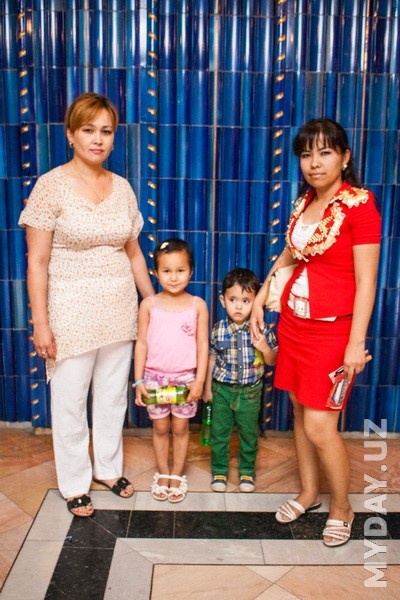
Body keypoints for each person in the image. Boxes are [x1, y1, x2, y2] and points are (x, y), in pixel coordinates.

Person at [19, 92, 154, 517]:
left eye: (106, 131)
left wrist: (152, 303)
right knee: (70, 399)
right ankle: (75, 482)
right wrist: (41, 322)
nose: (98, 139)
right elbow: (37, 261)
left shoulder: (123, 187)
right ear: (71, 135)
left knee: (113, 396)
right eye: (89, 130)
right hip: (70, 308)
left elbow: (134, 252)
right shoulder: (50, 186)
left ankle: (108, 469)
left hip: (119, 306)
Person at [251, 118, 381, 546]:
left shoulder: (360, 206)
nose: (314, 162)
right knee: (300, 412)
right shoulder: (304, 201)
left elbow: (366, 281)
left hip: (333, 333)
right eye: (306, 154)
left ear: (344, 157)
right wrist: (261, 294)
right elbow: (291, 254)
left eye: (325, 152)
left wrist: (356, 343)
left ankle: (342, 506)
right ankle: (309, 492)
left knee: (322, 425)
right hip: (294, 325)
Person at [134, 238, 209, 502]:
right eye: (166, 271)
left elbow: (203, 345)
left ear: (191, 271)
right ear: (156, 273)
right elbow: (141, 344)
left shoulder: (197, 305)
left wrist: (199, 381)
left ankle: (177, 473)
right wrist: (138, 381)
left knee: (180, 427)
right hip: (154, 379)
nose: (174, 277)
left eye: (180, 270)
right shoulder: (149, 305)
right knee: (160, 427)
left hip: (185, 380)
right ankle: (163, 472)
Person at [203, 268, 277, 493]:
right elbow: (211, 358)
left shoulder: (262, 330)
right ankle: (219, 471)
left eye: (246, 301)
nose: (238, 306)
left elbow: (273, 361)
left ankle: (247, 471)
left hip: (250, 393)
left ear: (256, 302)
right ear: (223, 301)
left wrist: (264, 347)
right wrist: (207, 388)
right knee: (219, 434)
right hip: (221, 390)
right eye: (233, 300)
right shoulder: (218, 330)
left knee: (249, 434)